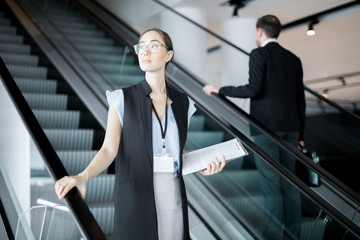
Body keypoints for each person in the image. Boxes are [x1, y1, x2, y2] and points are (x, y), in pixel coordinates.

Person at [55, 28, 226, 240]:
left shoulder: (184, 103)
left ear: (168, 55)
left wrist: (203, 168)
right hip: (135, 195)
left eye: (153, 45)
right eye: (141, 46)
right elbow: (109, 149)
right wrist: (83, 176)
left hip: (173, 196)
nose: (144, 51)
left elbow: (176, 151)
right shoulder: (122, 99)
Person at [203, 15, 305, 240]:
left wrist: (219, 89)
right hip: (291, 130)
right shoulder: (294, 59)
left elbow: (253, 89)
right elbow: (300, 99)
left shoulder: (259, 53)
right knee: (290, 185)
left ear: (260, 32)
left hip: (266, 130)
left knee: (271, 185)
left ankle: (271, 236)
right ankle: (294, 237)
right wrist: (301, 135)